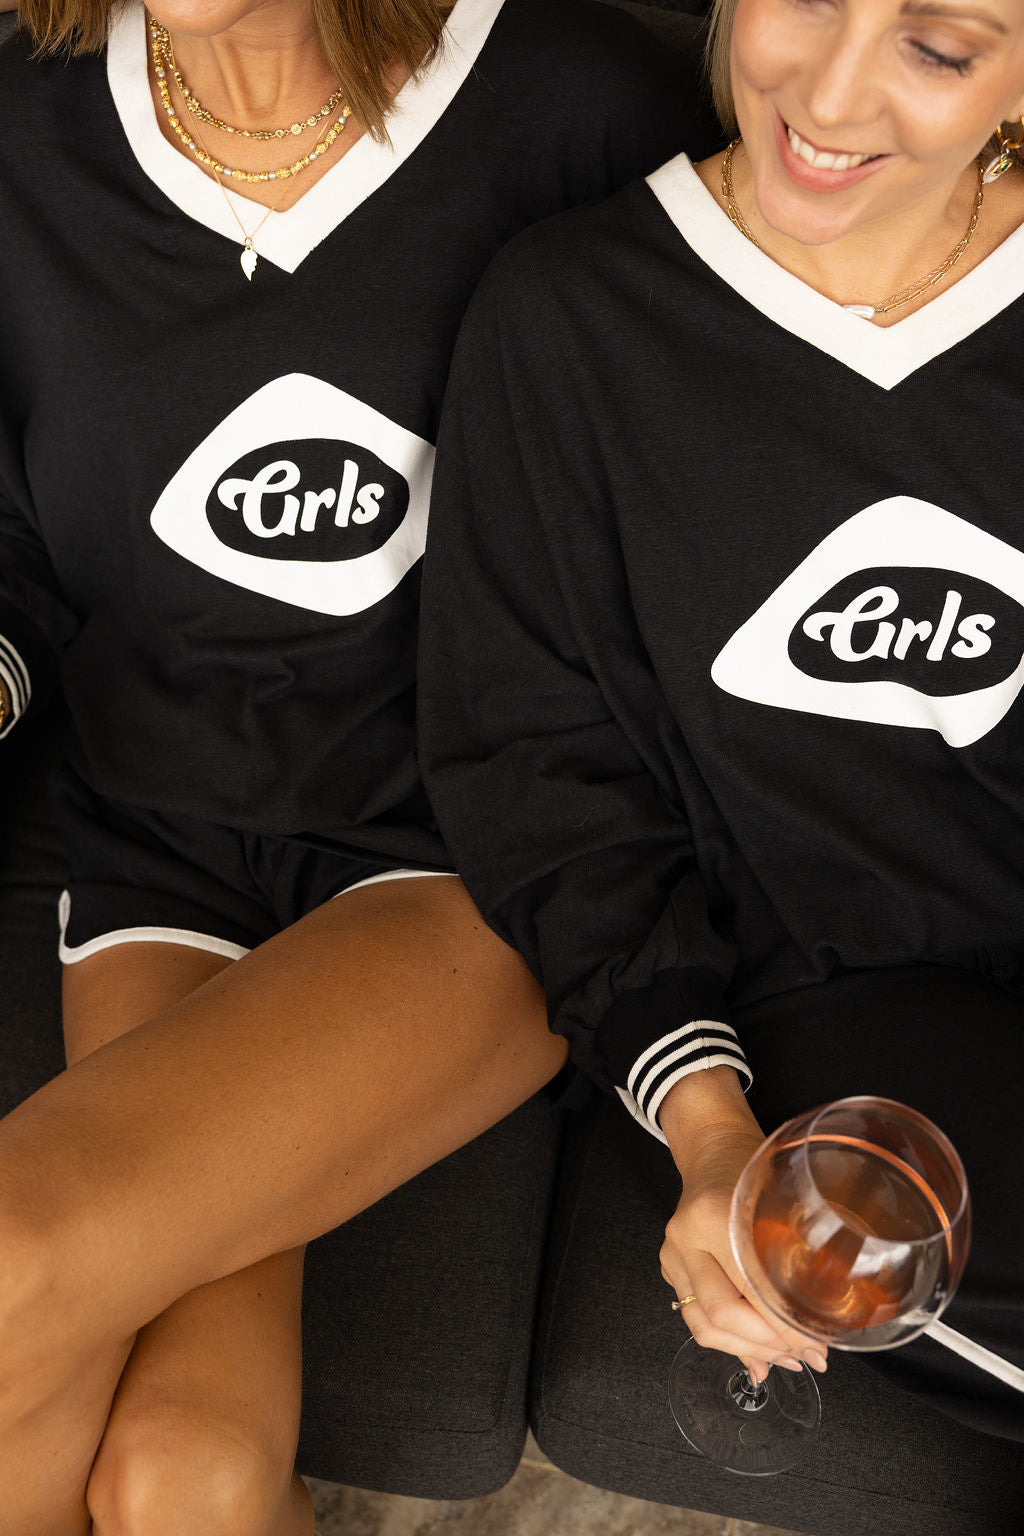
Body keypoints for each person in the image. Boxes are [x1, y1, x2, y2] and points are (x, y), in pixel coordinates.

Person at [0, 1, 720, 1531]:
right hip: (156, 831)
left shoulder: (597, 100)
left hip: (468, 853)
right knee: (183, 1474)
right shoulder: (22, 113)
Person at [419, 0, 1024, 1446]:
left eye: (937, 49)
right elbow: (547, 787)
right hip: (821, 1039)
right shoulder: (569, 320)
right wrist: (709, 1135)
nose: (829, 95)